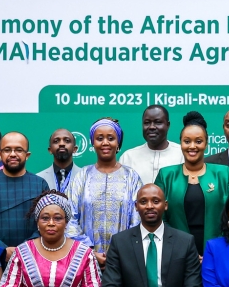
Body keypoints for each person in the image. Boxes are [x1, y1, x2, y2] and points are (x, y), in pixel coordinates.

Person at [155, 112, 229, 255]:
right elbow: (158, 218)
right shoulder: (166, 175)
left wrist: (213, 251)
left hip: (218, 252)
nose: (192, 146)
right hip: (176, 253)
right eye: (187, 141)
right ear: (180, 143)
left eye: (198, 141)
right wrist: (179, 248)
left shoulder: (223, 174)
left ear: (206, 144)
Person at [66, 118, 143, 267]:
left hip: (124, 260)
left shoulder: (131, 177)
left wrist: (120, 251)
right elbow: (70, 217)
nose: (105, 143)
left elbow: (138, 218)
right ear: (93, 143)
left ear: (118, 143)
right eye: (99, 138)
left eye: (111, 138)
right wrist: (89, 252)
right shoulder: (82, 176)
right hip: (85, 261)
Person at [0, 132, 49, 259]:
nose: (12, 154)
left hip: (32, 257)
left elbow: (46, 222)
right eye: (7, 150)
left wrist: (24, 249)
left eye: (18, 150)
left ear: (27, 155)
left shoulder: (40, 184)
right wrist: (2, 249)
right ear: (0, 154)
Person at [118, 105, 184, 184]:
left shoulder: (182, 154)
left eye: (158, 122)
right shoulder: (128, 157)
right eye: (147, 123)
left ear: (168, 125)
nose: (152, 127)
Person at [36, 128, 83, 193]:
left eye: (67, 141)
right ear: (50, 150)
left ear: (74, 149)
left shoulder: (86, 176)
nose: (61, 144)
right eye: (56, 141)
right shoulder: (39, 178)